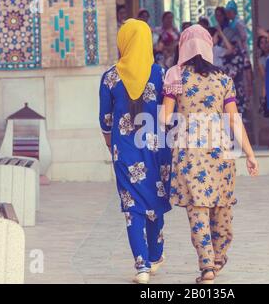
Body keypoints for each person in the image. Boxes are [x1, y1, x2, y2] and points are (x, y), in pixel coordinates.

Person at [160, 25, 259, 284]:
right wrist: (250, 154)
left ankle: (207, 268)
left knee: (198, 211)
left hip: (189, 154)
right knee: (221, 209)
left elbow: (165, 118)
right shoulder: (223, 80)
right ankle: (218, 258)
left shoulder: (175, 77)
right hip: (221, 153)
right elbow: (235, 121)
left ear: (183, 46)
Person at [99, 19, 172, 284]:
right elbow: (169, 114)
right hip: (156, 150)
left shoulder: (110, 77)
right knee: (155, 201)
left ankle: (141, 265)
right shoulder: (160, 74)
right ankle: (154, 255)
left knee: (133, 208)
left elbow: (105, 120)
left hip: (125, 151)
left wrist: (114, 147)